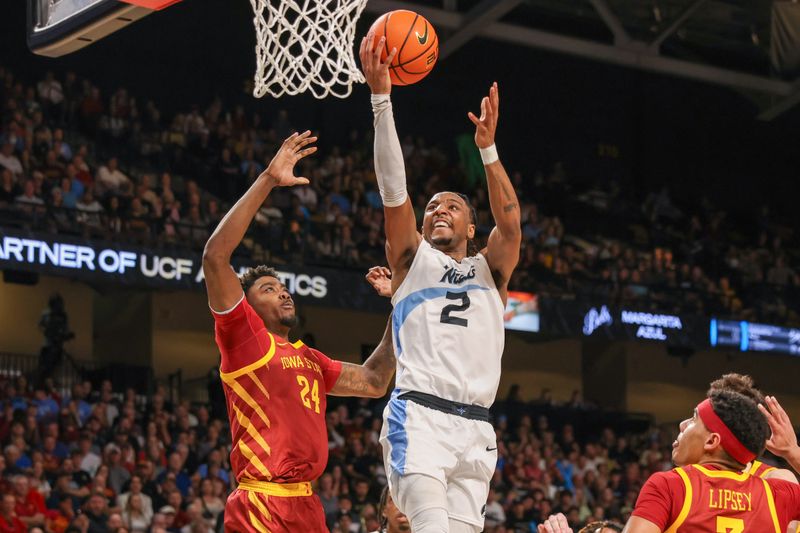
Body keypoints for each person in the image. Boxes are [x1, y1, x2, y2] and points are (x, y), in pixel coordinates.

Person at [360, 30, 521, 533]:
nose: (437, 210)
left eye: (451, 205)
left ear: (472, 228)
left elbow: (511, 222)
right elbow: (393, 189)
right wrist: (381, 98)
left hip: (477, 428)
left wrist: (489, 152)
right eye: (432, 207)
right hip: (420, 417)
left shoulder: (490, 270)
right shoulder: (411, 260)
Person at [202, 130, 397, 532]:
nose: (284, 293)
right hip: (261, 501)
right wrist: (269, 179)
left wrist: (403, 302)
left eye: (283, 287)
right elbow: (215, 256)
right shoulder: (245, 341)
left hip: (307, 504)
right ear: (248, 306)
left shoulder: (310, 358)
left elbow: (376, 380)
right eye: (269, 289)